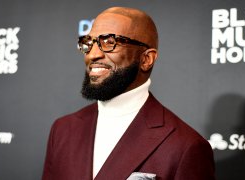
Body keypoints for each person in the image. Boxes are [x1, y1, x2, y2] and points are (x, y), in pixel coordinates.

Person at [42, 7, 215, 180]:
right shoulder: (63, 130)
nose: (92, 55)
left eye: (110, 42)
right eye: (89, 42)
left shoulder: (185, 146)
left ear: (146, 59)